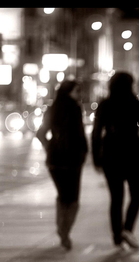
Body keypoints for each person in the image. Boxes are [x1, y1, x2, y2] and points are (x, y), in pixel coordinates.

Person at [91, 72, 139, 250]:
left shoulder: (105, 105)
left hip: (111, 155)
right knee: (137, 195)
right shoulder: (136, 104)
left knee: (116, 198)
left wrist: (97, 158)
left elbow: (96, 134)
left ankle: (117, 237)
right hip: (133, 154)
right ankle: (128, 229)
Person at [36, 80, 88, 250]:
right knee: (73, 199)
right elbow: (80, 134)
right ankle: (64, 231)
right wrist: (84, 152)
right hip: (72, 160)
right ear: (69, 92)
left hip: (55, 160)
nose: (79, 94)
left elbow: (41, 133)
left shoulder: (53, 108)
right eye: (77, 91)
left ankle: (62, 228)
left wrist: (50, 146)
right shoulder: (75, 108)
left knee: (62, 196)